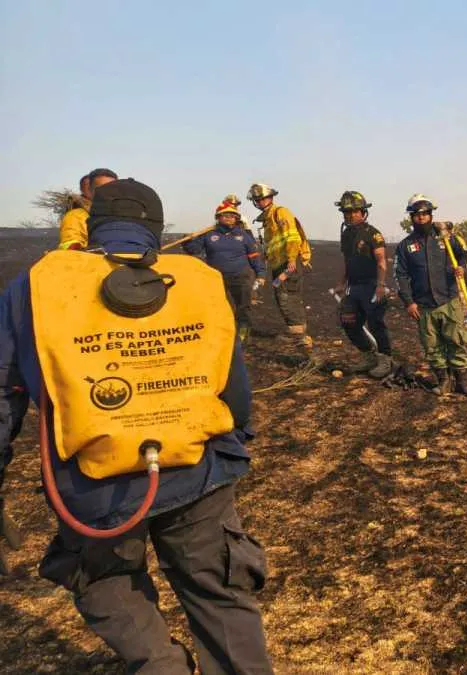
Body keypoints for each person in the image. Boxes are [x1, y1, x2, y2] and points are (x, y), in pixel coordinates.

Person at [0, 178, 272, 673]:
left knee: (108, 585)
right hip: (198, 470)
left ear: (94, 223)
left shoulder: (33, 287)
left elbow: (4, 391)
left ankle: (161, 665)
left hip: (91, 488)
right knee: (220, 592)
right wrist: (238, 439)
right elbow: (233, 381)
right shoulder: (198, 279)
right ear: (155, 227)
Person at [394, 194, 467, 397]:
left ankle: (462, 383)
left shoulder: (446, 238)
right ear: (411, 217)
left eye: (425, 213)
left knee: (456, 341)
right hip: (423, 305)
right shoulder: (405, 246)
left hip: (449, 299)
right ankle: (443, 382)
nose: (421, 218)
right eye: (417, 214)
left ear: (431, 214)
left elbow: (465, 255)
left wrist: (462, 268)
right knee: (432, 346)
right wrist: (409, 302)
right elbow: (401, 276)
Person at [246, 182, 315, 362]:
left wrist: (292, 259)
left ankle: (301, 338)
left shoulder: (280, 212)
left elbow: (292, 237)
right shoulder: (268, 219)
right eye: (258, 199)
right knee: (281, 294)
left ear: (270, 197)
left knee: (287, 297)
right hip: (279, 265)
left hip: (288, 264)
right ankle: (297, 332)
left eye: (263, 198)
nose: (260, 202)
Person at [183, 200, 267, 343]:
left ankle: (242, 335)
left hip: (241, 277)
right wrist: (187, 240)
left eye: (233, 216)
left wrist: (260, 274)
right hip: (216, 278)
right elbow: (194, 250)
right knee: (218, 307)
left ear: (237, 219)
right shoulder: (209, 235)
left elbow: (254, 256)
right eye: (225, 215)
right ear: (218, 217)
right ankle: (220, 333)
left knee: (243, 307)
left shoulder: (243, 235)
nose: (229, 218)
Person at [335, 191, 393, 378]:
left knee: (376, 323)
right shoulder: (346, 235)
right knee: (349, 322)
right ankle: (369, 356)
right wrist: (342, 283)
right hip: (354, 287)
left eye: (355, 211)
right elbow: (347, 261)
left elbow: (382, 261)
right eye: (347, 212)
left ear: (363, 212)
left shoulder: (373, 234)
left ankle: (385, 360)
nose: (351, 215)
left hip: (372, 285)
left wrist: (381, 285)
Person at [58, 168, 118, 251]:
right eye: (100, 188)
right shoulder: (75, 216)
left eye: (112, 188)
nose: (107, 192)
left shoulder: (126, 214)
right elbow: (71, 246)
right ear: (89, 190)